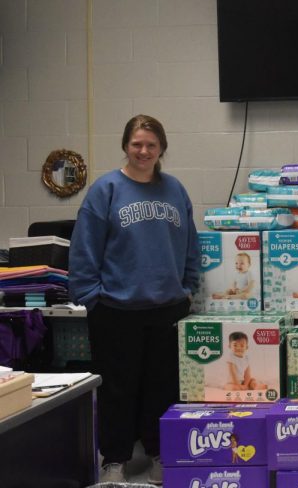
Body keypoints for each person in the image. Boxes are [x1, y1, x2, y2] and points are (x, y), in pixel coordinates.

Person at [69, 114, 199, 484]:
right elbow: (84, 249)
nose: (143, 151)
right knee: (116, 389)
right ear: (126, 146)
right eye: (136, 144)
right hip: (115, 309)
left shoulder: (175, 190)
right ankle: (114, 461)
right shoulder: (105, 189)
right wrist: (90, 297)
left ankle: (160, 455)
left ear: (162, 149)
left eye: (151, 145)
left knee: (163, 388)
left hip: (167, 307)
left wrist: (187, 286)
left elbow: (191, 243)